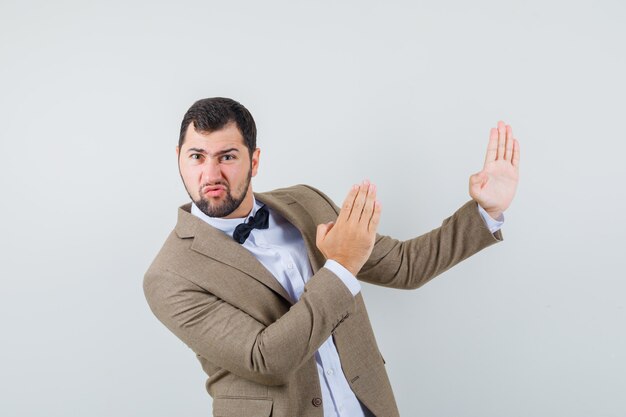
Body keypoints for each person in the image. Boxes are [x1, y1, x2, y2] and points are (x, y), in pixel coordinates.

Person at [143, 97, 520, 417]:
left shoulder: (305, 203)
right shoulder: (170, 275)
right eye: (197, 156)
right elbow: (265, 360)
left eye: (227, 156)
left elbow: (405, 266)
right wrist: (340, 267)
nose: (210, 173)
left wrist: (484, 211)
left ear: (254, 161)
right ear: (179, 158)